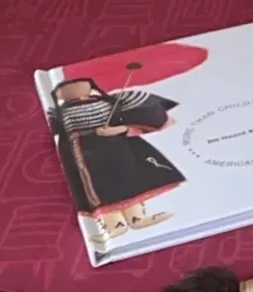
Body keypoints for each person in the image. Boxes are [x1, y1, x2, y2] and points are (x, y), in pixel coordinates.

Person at [48, 78, 186, 239]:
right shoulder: (59, 112)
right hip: (84, 154)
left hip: (116, 148)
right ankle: (114, 225)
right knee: (99, 187)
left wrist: (119, 129)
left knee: (127, 179)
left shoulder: (111, 102)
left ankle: (136, 217)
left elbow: (134, 118)